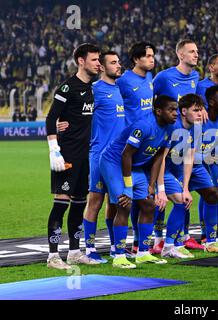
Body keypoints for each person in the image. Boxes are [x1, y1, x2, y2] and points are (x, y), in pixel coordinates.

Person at [99, 95, 177, 268]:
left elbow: (158, 156)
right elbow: (125, 154)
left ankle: (143, 253)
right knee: (124, 204)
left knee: (149, 204)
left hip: (135, 164)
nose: (175, 113)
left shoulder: (170, 128)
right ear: (158, 111)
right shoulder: (144, 126)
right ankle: (119, 255)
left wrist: (152, 185)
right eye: (171, 110)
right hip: (114, 161)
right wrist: (127, 187)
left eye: (176, 109)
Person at [45, 43, 101, 269]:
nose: (98, 63)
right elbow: (51, 119)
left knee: (79, 204)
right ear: (81, 61)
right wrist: (54, 150)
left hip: (85, 156)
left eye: (99, 60)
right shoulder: (67, 88)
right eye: (94, 59)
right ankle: (52, 256)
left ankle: (75, 252)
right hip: (66, 156)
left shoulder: (93, 88)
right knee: (61, 205)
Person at [161, 94, 218, 258]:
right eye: (196, 110)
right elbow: (160, 158)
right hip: (166, 168)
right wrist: (161, 186)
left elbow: (190, 157)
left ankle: (210, 242)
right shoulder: (172, 127)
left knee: (212, 194)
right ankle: (169, 244)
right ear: (183, 111)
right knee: (178, 201)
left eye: (201, 110)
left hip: (186, 166)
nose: (200, 114)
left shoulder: (196, 127)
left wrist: (185, 186)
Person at [152, 39, 204, 251]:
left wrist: (203, 108)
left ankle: (178, 239)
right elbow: (150, 98)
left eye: (197, 51)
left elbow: (194, 99)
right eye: (191, 51)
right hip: (164, 141)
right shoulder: (164, 77)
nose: (196, 54)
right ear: (180, 55)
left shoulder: (195, 76)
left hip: (183, 143)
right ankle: (154, 240)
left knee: (182, 194)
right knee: (156, 196)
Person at [82, 51, 125, 263]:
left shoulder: (121, 89)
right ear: (102, 67)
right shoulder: (94, 90)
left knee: (116, 203)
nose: (118, 65)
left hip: (119, 157)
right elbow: (79, 115)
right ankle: (89, 248)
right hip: (99, 154)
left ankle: (114, 244)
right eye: (114, 63)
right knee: (95, 201)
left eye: (119, 62)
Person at [116, 41, 157, 255]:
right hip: (129, 146)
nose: (152, 59)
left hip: (148, 144)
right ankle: (120, 246)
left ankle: (140, 244)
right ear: (136, 59)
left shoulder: (150, 78)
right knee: (125, 200)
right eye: (148, 56)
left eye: (153, 56)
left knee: (147, 197)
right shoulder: (123, 81)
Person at [195, 53, 218, 242]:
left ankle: (217, 234)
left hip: (210, 155)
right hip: (191, 158)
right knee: (208, 190)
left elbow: (217, 144)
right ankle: (202, 233)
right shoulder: (201, 88)